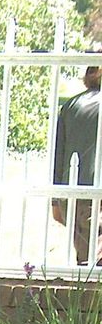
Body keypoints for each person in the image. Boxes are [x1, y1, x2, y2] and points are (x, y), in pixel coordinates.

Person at [52, 63, 102, 265]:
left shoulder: (70, 106)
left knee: (87, 265)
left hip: (74, 193)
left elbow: (59, 155)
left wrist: (56, 200)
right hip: (94, 196)